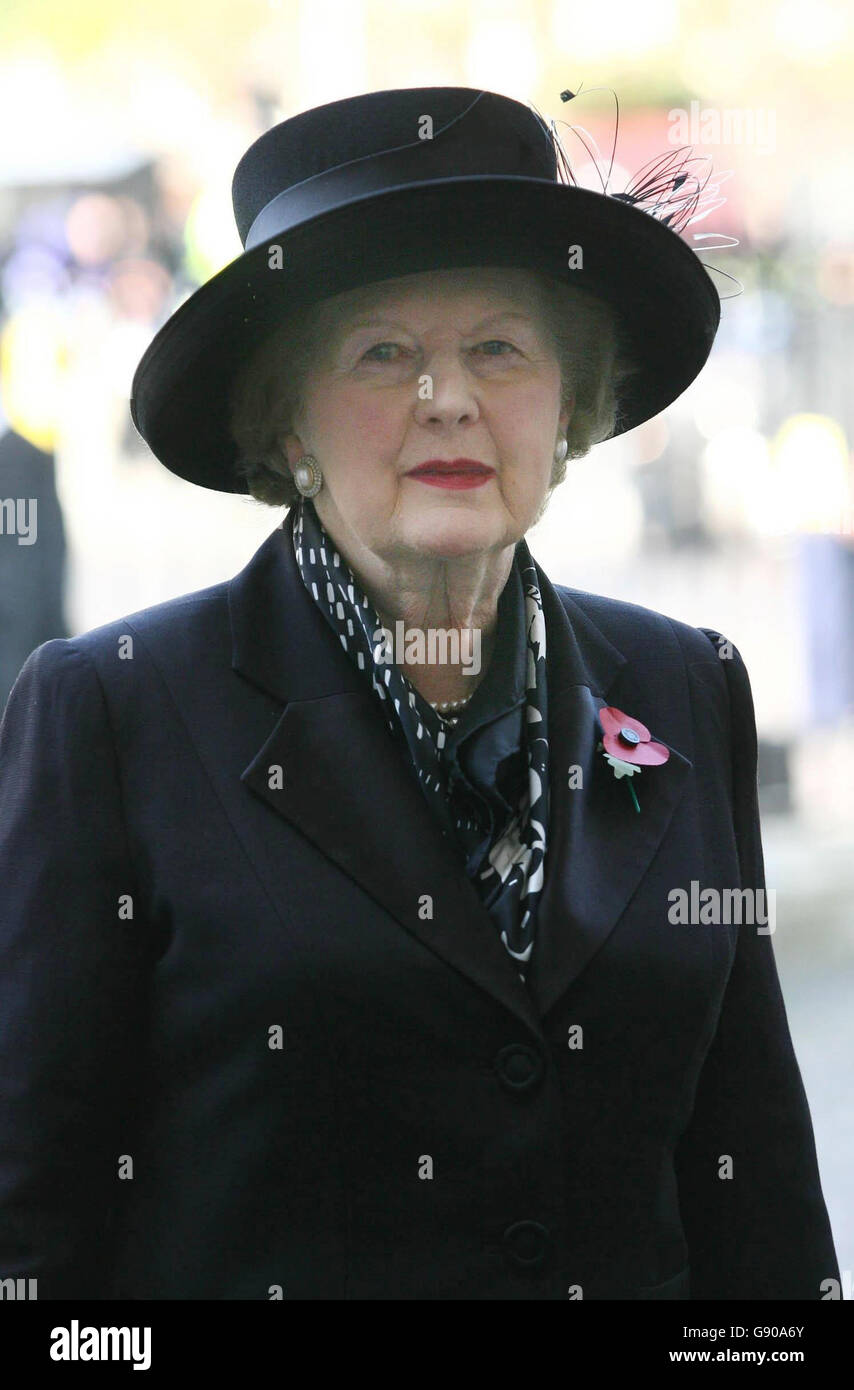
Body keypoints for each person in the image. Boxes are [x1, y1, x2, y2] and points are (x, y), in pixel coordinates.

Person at [0, 85, 839, 1300]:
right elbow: (31, 1225)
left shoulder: (681, 685)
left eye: (498, 348)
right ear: (286, 419)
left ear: (569, 410)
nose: (447, 397)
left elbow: (749, 1182)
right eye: (382, 352)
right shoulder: (114, 712)